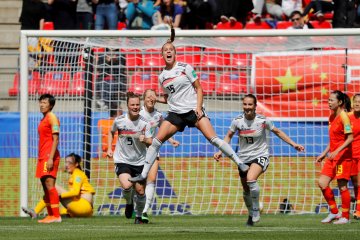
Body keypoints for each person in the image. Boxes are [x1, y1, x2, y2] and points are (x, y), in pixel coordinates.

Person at [129, 21, 249, 186]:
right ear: (162, 55)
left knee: (213, 138)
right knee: (156, 141)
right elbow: (169, 97)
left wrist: (198, 108)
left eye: (171, 50)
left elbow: (199, 88)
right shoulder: (162, 76)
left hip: (193, 110)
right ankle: (143, 174)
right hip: (176, 114)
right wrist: (156, 98)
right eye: (165, 50)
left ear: (175, 53)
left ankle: (240, 163)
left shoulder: (186, 67)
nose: (168, 52)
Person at [213, 94, 304, 226]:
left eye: (250, 104)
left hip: (260, 155)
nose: (247, 107)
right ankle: (251, 214)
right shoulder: (237, 121)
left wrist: (293, 144)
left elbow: (278, 132)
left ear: (255, 106)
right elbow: (228, 136)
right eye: (245, 104)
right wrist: (220, 151)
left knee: (251, 178)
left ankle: (256, 209)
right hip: (243, 158)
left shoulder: (263, 120)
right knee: (246, 190)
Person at [107, 92, 153, 224]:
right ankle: (129, 202)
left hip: (140, 161)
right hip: (123, 160)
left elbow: (151, 141)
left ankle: (139, 216)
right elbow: (111, 132)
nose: (135, 107)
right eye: (132, 104)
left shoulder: (145, 123)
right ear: (127, 105)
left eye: (137, 104)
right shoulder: (120, 120)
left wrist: (145, 140)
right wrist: (110, 148)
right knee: (127, 186)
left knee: (140, 190)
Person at [139, 89, 180, 223]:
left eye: (153, 96)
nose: (151, 98)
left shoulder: (158, 115)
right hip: (137, 152)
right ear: (144, 99)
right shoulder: (138, 114)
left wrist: (171, 140)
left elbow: (164, 129)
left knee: (151, 179)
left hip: (153, 150)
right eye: (148, 96)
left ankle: (144, 211)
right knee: (139, 184)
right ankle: (135, 207)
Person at [316, 90, 353, 224]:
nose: (329, 103)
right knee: (322, 183)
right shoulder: (331, 117)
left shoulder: (344, 117)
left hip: (343, 157)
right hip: (332, 156)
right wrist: (324, 153)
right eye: (328, 100)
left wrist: (337, 151)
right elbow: (333, 140)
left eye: (331, 100)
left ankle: (345, 217)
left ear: (340, 102)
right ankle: (334, 212)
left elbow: (350, 138)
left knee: (342, 186)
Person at [22, 153, 96, 218]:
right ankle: (45, 214)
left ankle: (36, 211)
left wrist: (59, 196)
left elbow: (75, 192)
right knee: (53, 197)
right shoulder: (76, 174)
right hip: (83, 209)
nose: (67, 165)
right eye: (66, 162)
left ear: (76, 164)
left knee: (53, 189)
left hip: (84, 207)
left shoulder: (77, 174)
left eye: (69, 162)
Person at [35, 94, 62, 223]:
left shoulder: (52, 118)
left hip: (49, 156)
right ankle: (51, 215)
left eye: (45, 102)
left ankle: (56, 216)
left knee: (50, 184)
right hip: (42, 156)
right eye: (41, 102)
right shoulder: (43, 119)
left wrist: (50, 158)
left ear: (50, 105)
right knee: (45, 185)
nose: (42, 104)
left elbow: (56, 139)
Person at [349, 94, 360, 219]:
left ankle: (358, 211)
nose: (357, 104)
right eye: (355, 101)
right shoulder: (347, 117)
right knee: (355, 183)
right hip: (349, 155)